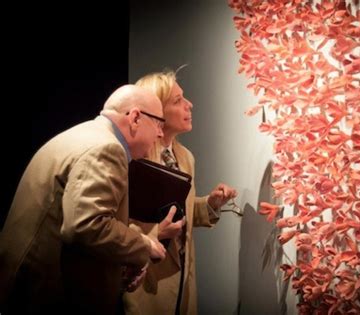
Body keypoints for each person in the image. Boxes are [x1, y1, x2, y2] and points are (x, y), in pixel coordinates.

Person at [0, 85, 168, 314]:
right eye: (159, 123)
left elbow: (74, 219)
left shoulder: (84, 134)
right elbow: (86, 226)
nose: (160, 134)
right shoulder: (107, 148)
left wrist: (122, 259)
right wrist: (145, 245)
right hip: (44, 297)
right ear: (135, 117)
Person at [123, 70, 237, 315]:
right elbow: (114, 224)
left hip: (183, 278)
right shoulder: (136, 159)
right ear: (156, 110)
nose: (189, 105)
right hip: (144, 282)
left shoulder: (185, 157)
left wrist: (210, 204)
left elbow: (176, 211)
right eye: (177, 101)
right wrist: (155, 234)